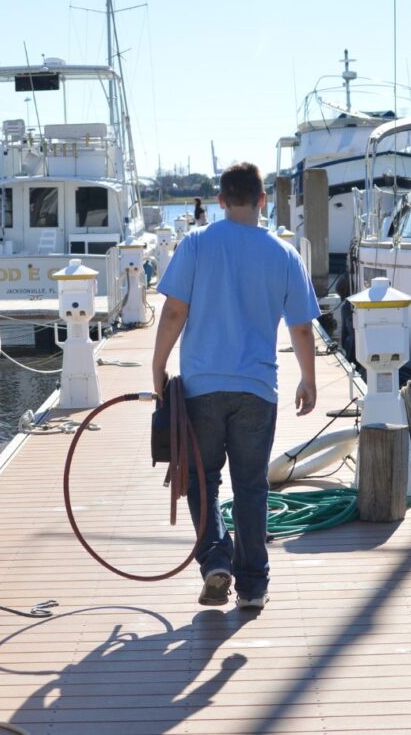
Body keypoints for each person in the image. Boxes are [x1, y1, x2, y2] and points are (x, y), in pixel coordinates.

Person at [152, 162, 319, 611]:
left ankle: (213, 561)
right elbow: (301, 328)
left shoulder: (196, 244)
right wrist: (309, 378)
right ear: (263, 199)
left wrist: (157, 365)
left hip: (201, 388)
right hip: (257, 389)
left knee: (200, 480)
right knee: (250, 486)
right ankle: (252, 586)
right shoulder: (285, 255)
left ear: (221, 201)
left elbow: (172, 313)